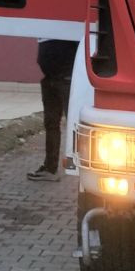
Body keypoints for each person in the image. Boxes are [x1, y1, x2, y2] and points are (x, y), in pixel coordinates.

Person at [28, 38, 78, 181]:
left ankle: (82, 169)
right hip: (50, 78)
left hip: (66, 79)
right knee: (51, 123)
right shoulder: (46, 22)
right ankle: (50, 168)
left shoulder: (67, 23)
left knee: (74, 125)